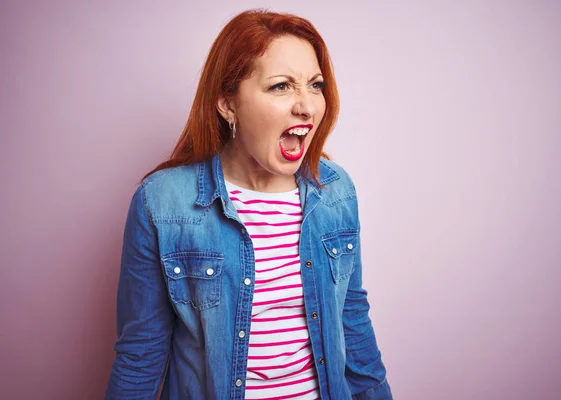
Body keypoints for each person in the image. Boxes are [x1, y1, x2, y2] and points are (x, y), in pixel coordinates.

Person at [105, 8, 392, 400]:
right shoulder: (162, 203)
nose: (307, 106)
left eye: (315, 84)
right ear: (228, 104)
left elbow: (353, 325)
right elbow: (141, 355)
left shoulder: (336, 192)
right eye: (281, 86)